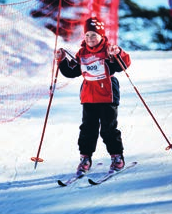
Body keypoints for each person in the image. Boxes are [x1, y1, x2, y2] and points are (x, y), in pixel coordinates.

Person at [55, 17, 131, 175]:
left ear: (102, 36)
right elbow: (72, 72)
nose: (90, 39)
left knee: (108, 129)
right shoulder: (82, 53)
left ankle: (117, 156)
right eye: (87, 35)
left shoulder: (108, 50)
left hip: (107, 95)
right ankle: (85, 158)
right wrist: (61, 60)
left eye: (94, 35)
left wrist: (118, 53)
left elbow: (122, 65)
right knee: (87, 129)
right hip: (89, 97)